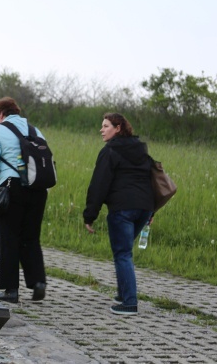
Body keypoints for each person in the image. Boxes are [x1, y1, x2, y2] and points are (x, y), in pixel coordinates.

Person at [83, 113, 154, 316]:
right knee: (123, 252)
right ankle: (123, 294)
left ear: (118, 128)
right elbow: (151, 179)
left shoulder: (110, 151)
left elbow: (99, 185)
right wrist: (152, 211)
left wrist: (90, 215)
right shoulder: (141, 150)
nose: (101, 129)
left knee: (123, 254)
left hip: (123, 209)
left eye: (106, 126)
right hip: (144, 208)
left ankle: (130, 302)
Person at [0, 97, 48, 303]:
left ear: (0, 114)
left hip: (12, 187)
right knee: (30, 238)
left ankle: (11, 290)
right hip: (38, 189)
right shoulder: (35, 131)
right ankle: (38, 282)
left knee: (8, 237)